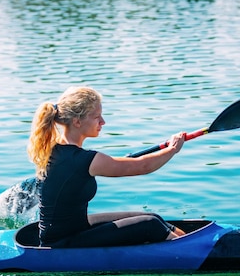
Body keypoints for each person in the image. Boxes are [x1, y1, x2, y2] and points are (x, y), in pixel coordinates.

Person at [27, 86, 186, 248]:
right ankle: (194, 251)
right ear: (77, 121)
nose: (103, 122)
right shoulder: (84, 159)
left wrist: (119, 162)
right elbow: (143, 166)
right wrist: (172, 150)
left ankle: (191, 242)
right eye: (97, 117)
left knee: (154, 217)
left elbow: (113, 164)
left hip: (73, 229)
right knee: (150, 224)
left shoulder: (56, 149)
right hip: (61, 243)